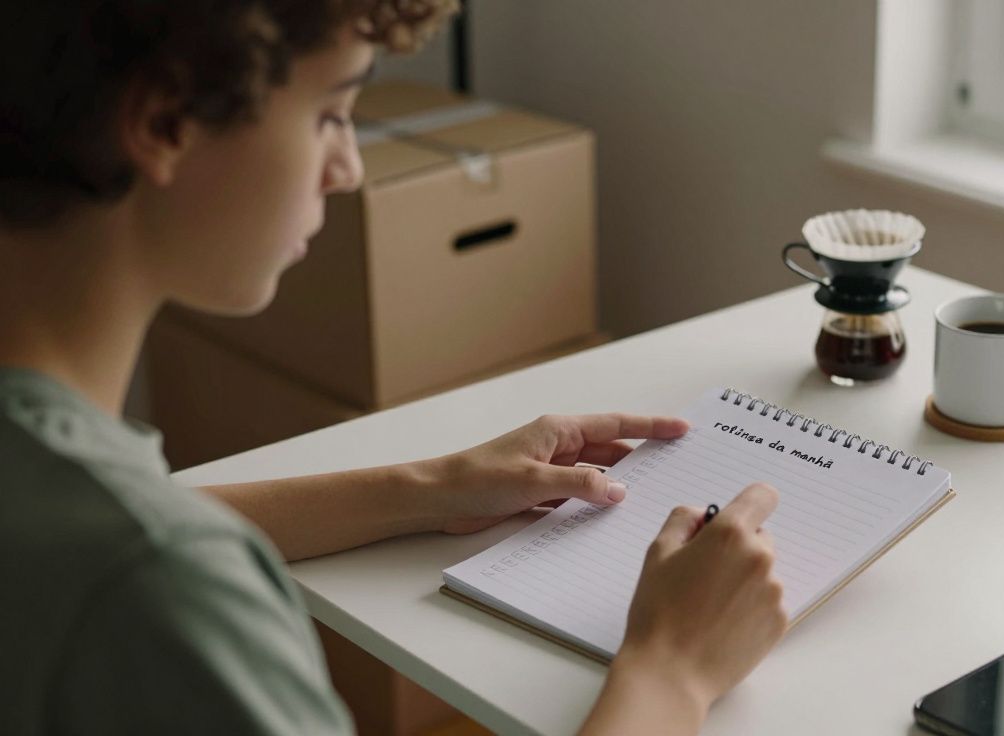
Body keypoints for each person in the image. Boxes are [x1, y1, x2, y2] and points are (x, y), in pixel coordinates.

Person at [0, 2, 787, 734]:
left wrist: (432, 488)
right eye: (332, 113)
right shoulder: (161, 590)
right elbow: (140, 551)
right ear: (166, 120)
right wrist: (670, 673)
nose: (347, 168)